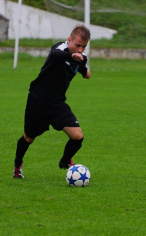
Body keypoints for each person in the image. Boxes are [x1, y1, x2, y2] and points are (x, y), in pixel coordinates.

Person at [13, 25, 91, 178]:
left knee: (78, 137)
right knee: (28, 138)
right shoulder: (60, 49)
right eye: (77, 45)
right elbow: (56, 55)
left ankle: (65, 161)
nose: (80, 49)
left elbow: (82, 69)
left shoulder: (81, 58)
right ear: (69, 40)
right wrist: (71, 56)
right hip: (38, 102)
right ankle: (17, 166)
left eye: (84, 46)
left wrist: (86, 72)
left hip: (58, 105)